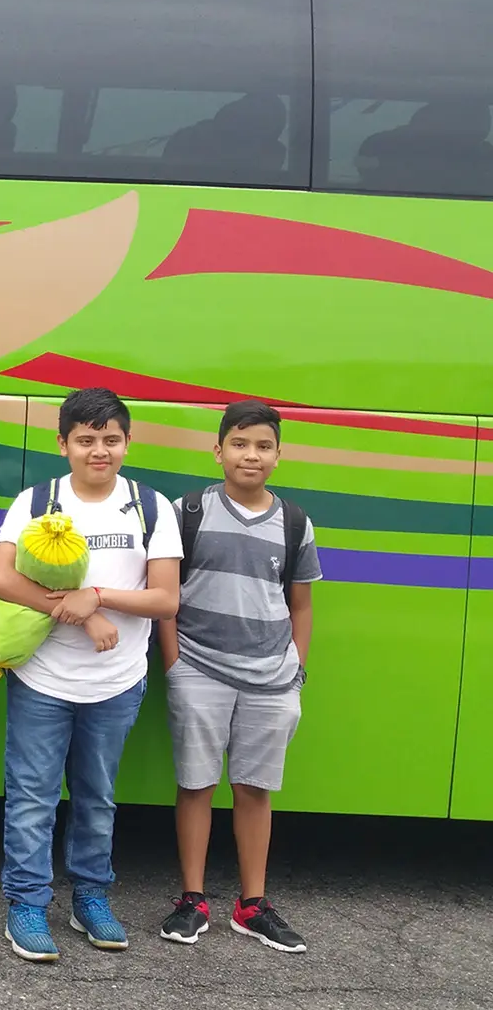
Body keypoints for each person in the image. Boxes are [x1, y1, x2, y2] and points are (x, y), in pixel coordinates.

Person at [0, 387, 180, 962]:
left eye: (111, 439)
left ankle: (90, 897)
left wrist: (96, 595)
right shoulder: (36, 500)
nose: (100, 451)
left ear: (127, 442)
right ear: (63, 444)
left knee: (97, 799)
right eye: (86, 440)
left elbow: (165, 599)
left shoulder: (151, 506)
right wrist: (82, 613)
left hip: (116, 682)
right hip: (43, 679)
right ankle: (27, 904)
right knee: (32, 798)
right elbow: (1, 580)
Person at [157, 401, 318, 954]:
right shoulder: (187, 511)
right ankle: (192, 900)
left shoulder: (295, 522)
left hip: (272, 678)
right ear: (218, 450)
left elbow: (301, 604)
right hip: (198, 669)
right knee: (196, 785)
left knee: (254, 789)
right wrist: (175, 664)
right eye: (240, 443)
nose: (252, 455)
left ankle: (252, 906)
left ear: (278, 455)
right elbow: (165, 595)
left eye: (264, 446)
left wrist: (296, 669)